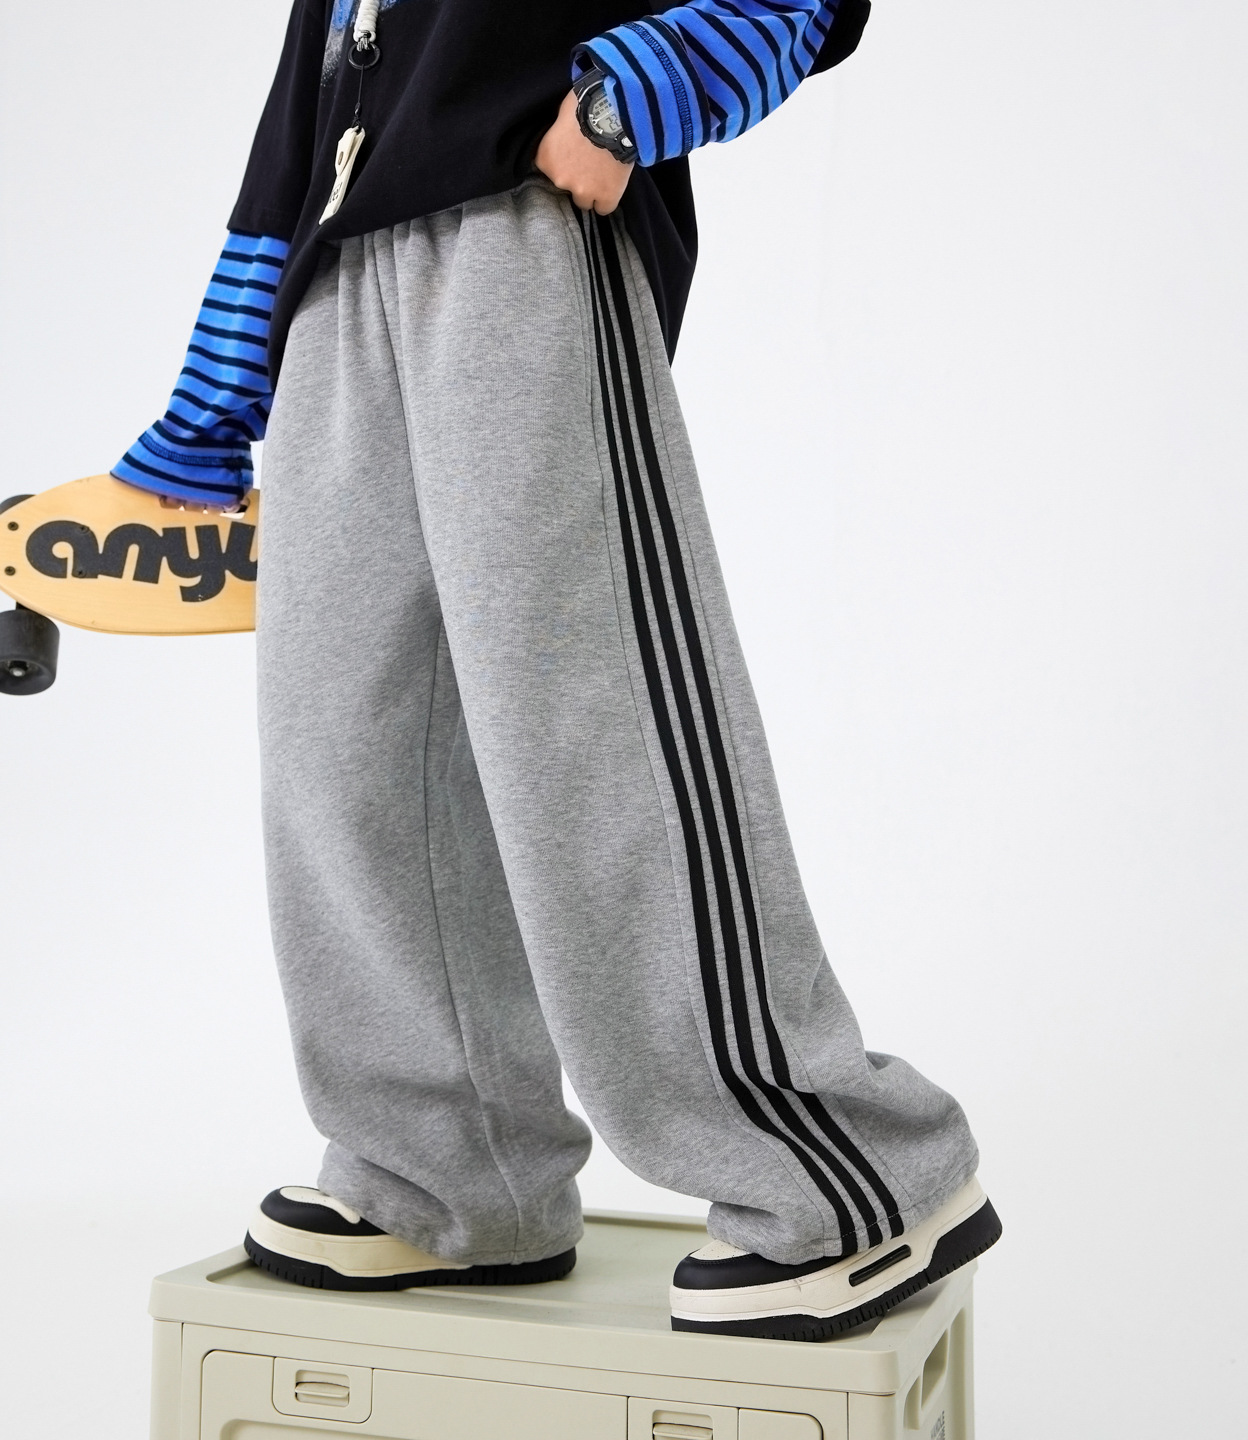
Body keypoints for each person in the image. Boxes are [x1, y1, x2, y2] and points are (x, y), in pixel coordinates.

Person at [113, 0, 1000, 1342]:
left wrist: (629, 94)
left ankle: (852, 1174)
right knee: (342, 746)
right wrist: (211, 403)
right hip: (334, 285)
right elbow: (301, 117)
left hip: (519, 233)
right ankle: (448, 1178)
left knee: (592, 735)